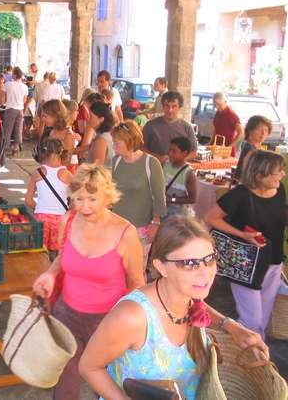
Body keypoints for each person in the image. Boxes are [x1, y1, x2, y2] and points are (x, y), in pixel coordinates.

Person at [80, 216, 270, 400]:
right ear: (160, 267)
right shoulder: (132, 317)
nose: (204, 273)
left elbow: (198, 307)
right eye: (189, 264)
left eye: (209, 259)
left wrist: (231, 326)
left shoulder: (186, 296)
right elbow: (89, 367)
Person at [32, 164, 145, 400]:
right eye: (78, 198)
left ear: (108, 196)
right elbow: (64, 257)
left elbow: (136, 282)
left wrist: (134, 324)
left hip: (106, 322)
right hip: (67, 314)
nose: (84, 207)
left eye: (92, 199)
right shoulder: (68, 221)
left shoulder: (126, 232)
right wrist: (50, 275)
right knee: (64, 383)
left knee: (106, 385)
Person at [206, 150, 286, 338]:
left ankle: (256, 358)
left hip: (273, 262)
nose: (282, 175)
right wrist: (242, 234)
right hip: (246, 264)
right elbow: (210, 217)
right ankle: (242, 352)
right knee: (252, 320)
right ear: (259, 175)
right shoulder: (240, 195)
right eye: (277, 172)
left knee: (263, 320)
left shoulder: (279, 188)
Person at [111, 120, 166, 264]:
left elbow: (159, 197)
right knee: (116, 268)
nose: (113, 146)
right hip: (115, 226)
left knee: (136, 269)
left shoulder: (151, 164)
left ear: (129, 141)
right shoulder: (115, 161)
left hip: (140, 228)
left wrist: (156, 223)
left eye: (117, 143)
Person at [25, 139, 73, 257]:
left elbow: (28, 201)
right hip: (61, 220)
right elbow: (75, 201)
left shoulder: (38, 173)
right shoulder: (68, 175)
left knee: (40, 254)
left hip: (41, 219)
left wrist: (42, 208)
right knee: (59, 255)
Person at [142, 91, 198, 164]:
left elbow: (194, 152)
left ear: (179, 107)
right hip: (155, 168)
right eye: (167, 106)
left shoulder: (187, 127)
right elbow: (141, 148)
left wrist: (181, 160)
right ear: (162, 106)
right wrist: (157, 158)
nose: (170, 110)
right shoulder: (150, 126)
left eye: (174, 106)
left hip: (178, 170)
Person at [164, 136, 197, 218]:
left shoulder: (189, 174)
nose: (170, 153)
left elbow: (192, 199)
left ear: (184, 153)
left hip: (179, 216)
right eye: (169, 150)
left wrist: (171, 199)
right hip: (163, 211)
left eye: (174, 151)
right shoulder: (165, 164)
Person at [234, 115, 271, 181]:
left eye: (266, 130)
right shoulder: (250, 149)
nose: (263, 133)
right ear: (250, 130)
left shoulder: (252, 147)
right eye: (259, 129)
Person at [39, 100, 76, 166]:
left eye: (45, 116)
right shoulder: (50, 131)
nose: (43, 119)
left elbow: (66, 161)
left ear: (55, 116)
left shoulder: (68, 135)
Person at [3, 67, 28, 157]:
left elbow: (4, 97)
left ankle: (4, 148)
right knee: (18, 129)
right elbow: (24, 100)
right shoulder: (24, 86)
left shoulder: (8, 84)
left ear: (14, 75)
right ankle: (16, 148)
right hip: (20, 109)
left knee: (7, 129)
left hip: (10, 108)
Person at [84, 101, 115, 167]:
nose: (87, 118)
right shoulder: (106, 135)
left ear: (101, 119)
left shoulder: (100, 141)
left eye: (91, 116)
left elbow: (96, 169)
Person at [212, 91, 242, 156]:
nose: (217, 107)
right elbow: (216, 129)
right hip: (217, 148)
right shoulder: (218, 113)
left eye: (219, 105)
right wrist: (211, 142)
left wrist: (229, 147)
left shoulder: (232, 115)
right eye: (215, 105)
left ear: (225, 102)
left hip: (227, 150)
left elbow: (241, 133)